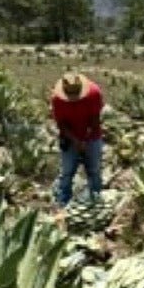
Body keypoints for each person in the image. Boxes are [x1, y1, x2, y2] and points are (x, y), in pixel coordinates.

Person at [50, 71, 104, 206]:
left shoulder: (94, 93)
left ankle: (95, 200)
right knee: (67, 171)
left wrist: (85, 139)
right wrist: (75, 141)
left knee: (94, 170)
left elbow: (95, 118)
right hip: (69, 137)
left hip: (92, 136)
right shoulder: (57, 99)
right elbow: (61, 123)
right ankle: (62, 201)